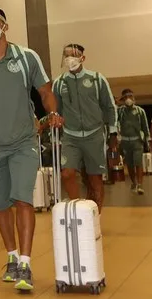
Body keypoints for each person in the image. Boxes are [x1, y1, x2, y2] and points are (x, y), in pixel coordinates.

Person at [0, 6, 61, 293]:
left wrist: (52, 113)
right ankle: (12, 257)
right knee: (2, 205)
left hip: (23, 142)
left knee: (23, 200)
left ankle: (27, 263)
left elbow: (45, 91)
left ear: (5, 26)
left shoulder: (27, 57)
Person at [50, 43, 117, 211]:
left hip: (94, 135)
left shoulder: (96, 79)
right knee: (67, 174)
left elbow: (109, 106)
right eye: (66, 55)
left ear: (82, 58)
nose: (69, 59)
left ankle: (96, 215)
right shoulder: (59, 83)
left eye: (73, 55)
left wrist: (113, 133)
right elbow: (55, 111)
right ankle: (79, 209)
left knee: (94, 179)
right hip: (70, 136)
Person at [116, 88, 150, 195]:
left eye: (129, 97)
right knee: (130, 164)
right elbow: (115, 122)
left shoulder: (140, 111)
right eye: (125, 98)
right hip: (125, 142)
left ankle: (140, 184)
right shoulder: (120, 111)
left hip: (137, 141)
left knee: (138, 162)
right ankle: (134, 182)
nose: (128, 99)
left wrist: (147, 139)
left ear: (133, 98)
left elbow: (145, 126)